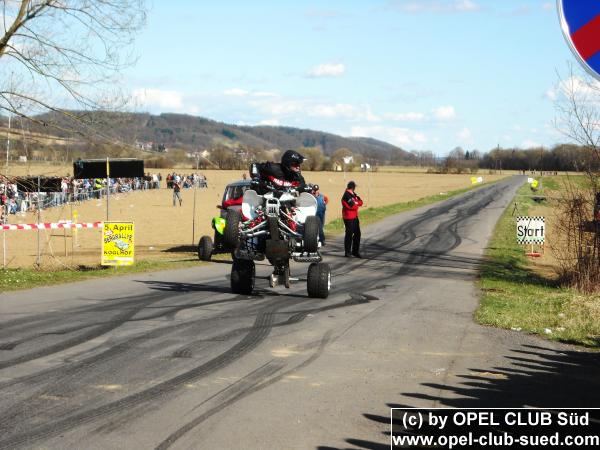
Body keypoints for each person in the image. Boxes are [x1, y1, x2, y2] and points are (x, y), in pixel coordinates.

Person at [342, 180, 363, 258]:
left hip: (354, 217)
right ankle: (347, 252)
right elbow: (353, 206)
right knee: (349, 235)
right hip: (348, 217)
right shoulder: (346, 195)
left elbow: (361, 202)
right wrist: (356, 203)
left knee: (358, 234)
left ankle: (355, 251)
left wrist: (356, 202)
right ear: (353, 187)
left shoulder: (354, 194)